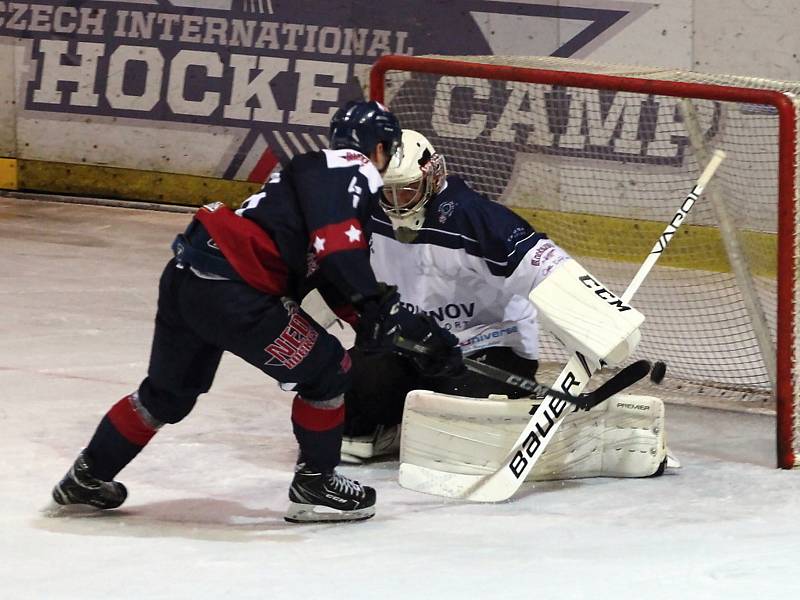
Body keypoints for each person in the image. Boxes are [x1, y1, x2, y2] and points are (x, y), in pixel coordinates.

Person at [51, 103, 462, 524]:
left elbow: (326, 276)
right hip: (234, 291)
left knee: (166, 395)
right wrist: (379, 308)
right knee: (329, 371)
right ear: (381, 147)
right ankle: (316, 484)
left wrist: (393, 326)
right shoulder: (352, 168)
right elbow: (338, 251)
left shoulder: (310, 177)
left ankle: (87, 475)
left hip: (188, 277)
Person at [341, 129, 571, 461]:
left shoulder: (477, 218)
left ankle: (501, 407)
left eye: (405, 192)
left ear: (431, 176)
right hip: (412, 344)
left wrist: (595, 328)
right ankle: (390, 425)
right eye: (385, 193)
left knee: (460, 415)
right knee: (348, 390)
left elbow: (551, 272)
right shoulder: (366, 216)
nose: (394, 203)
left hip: (486, 345)